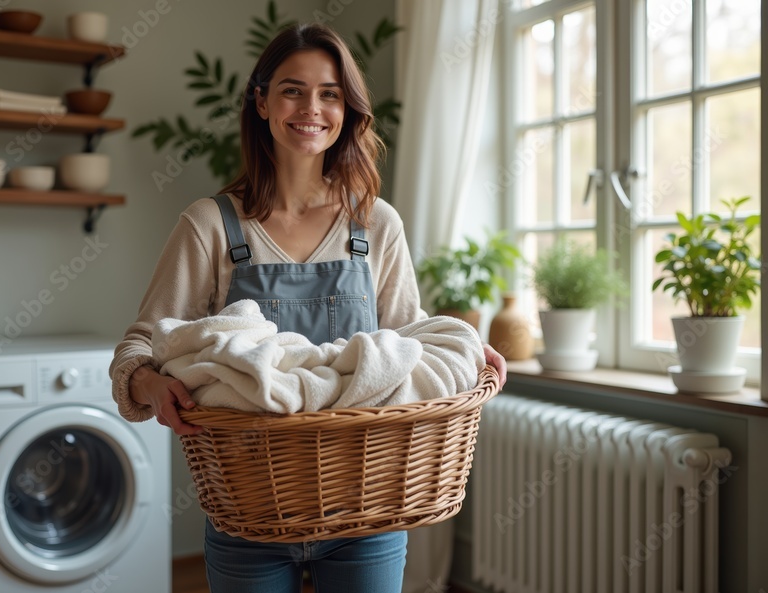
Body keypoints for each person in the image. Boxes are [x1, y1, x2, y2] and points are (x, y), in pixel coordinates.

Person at [110, 22, 506, 593]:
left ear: (347, 109)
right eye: (293, 90)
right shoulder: (211, 225)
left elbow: (405, 343)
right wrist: (147, 384)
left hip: (366, 504)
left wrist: (463, 347)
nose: (311, 108)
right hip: (248, 509)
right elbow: (140, 344)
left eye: (330, 93)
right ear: (262, 101)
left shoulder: (376, 225)